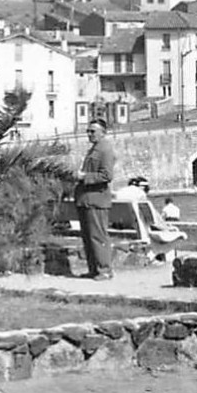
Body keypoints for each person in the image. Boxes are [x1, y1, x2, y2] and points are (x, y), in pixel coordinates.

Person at [73, 119, 116, 280]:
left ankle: (104, 269)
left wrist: (84, 177)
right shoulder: (94, 149)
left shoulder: (105, 150)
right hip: (86, 199)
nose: (89, 134)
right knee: (88, 237)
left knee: (98, 236)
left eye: (93, 131)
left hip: (97, 199)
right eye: (88, 131)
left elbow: (107, 175)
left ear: (103, 132)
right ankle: (94, 269)